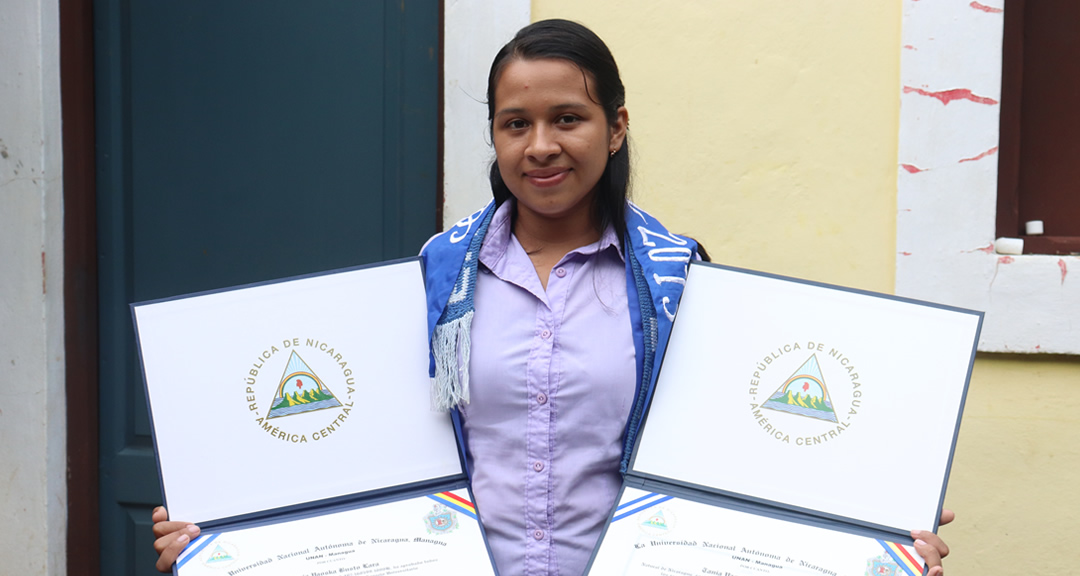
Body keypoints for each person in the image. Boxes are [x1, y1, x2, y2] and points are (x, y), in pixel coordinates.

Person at [152, 18, 953, 576]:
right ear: (495, 137)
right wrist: (225, 527)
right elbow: (349, 449)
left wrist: (874, 529)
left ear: (616, 125)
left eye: (567, 118)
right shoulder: (435, 278)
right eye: (514, 124)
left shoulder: (682, 282)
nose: (540, 147)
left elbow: (744, 458)